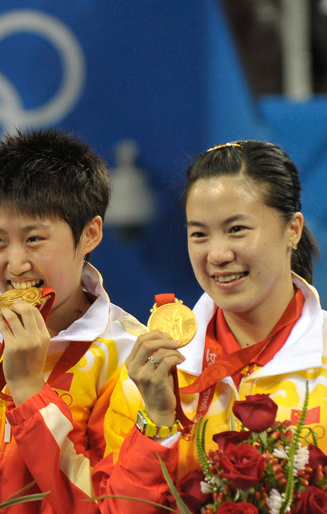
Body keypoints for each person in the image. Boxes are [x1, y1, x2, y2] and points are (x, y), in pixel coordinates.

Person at [0, 128, 146, 513]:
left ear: (90, 233)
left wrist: (29, 389)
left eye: (34, 239)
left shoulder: (127, 358)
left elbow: (107, 505)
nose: (16, 263)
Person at [94, 140, 325, 513]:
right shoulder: (152, 371)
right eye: (199, 234)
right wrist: (156, 422)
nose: (217, 255)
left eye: (236, 229)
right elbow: (117, 508)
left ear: (292, 230)